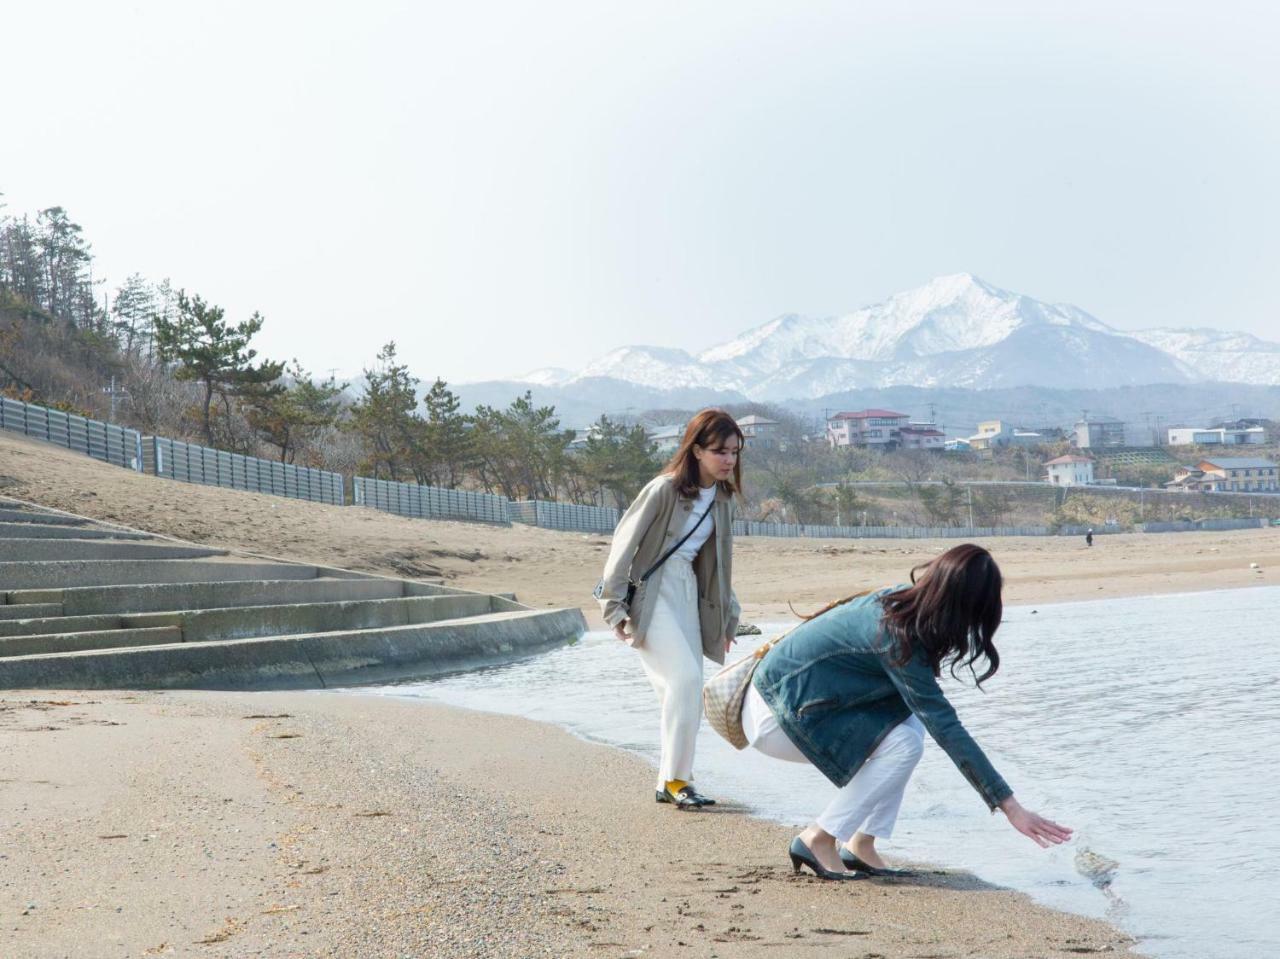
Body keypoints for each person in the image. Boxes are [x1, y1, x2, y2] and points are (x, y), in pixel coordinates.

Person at [744, 543, 1071, 879]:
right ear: (961, 607)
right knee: (904, 743)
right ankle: (818, 837)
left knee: (909, 728)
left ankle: (861, 844)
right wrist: (1010, 807)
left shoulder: (903, 603)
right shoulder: (898, 636)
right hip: (776, 714)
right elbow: (946, 727)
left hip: (792, 700)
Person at [598, 409, 743, 810]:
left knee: (687, 690)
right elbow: (623, 545)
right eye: (720, 451)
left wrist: (728, 617)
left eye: (734, 451)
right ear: (696, 450)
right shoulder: (663, 490)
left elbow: (720, 564)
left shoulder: (724, 498)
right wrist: (613, 607)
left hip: (690, 594)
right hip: (653, 591)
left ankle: (672, 779)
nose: (729, 460)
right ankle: (678, 780)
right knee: (682, 681)